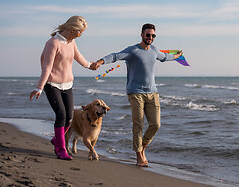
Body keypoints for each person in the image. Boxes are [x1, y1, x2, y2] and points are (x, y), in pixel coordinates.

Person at [90, 23, 182, 167]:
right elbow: (115, 56)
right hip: (135, 93)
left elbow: (165, 57)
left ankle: (143, 147)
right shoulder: (133, 50)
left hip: (152, 93)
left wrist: (177, 55)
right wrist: (100, 61)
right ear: (141, 35)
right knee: (138, 124)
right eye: (148, 35)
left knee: (156, 124)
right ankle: (139, 155)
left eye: (153, 35)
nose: (150, 38)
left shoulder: (154, 50)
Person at [30, 16, 92, 160]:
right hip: (52, 84)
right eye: (80, 32)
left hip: (67, 84)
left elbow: (78, 56)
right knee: (61, 115)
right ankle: (61, 149)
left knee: (69, 118)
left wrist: (90, 65)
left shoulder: (71, 42)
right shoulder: (53, 43)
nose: (80, 35)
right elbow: (47, 68)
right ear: (72, 30)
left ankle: (57, 139)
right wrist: (39, 88)